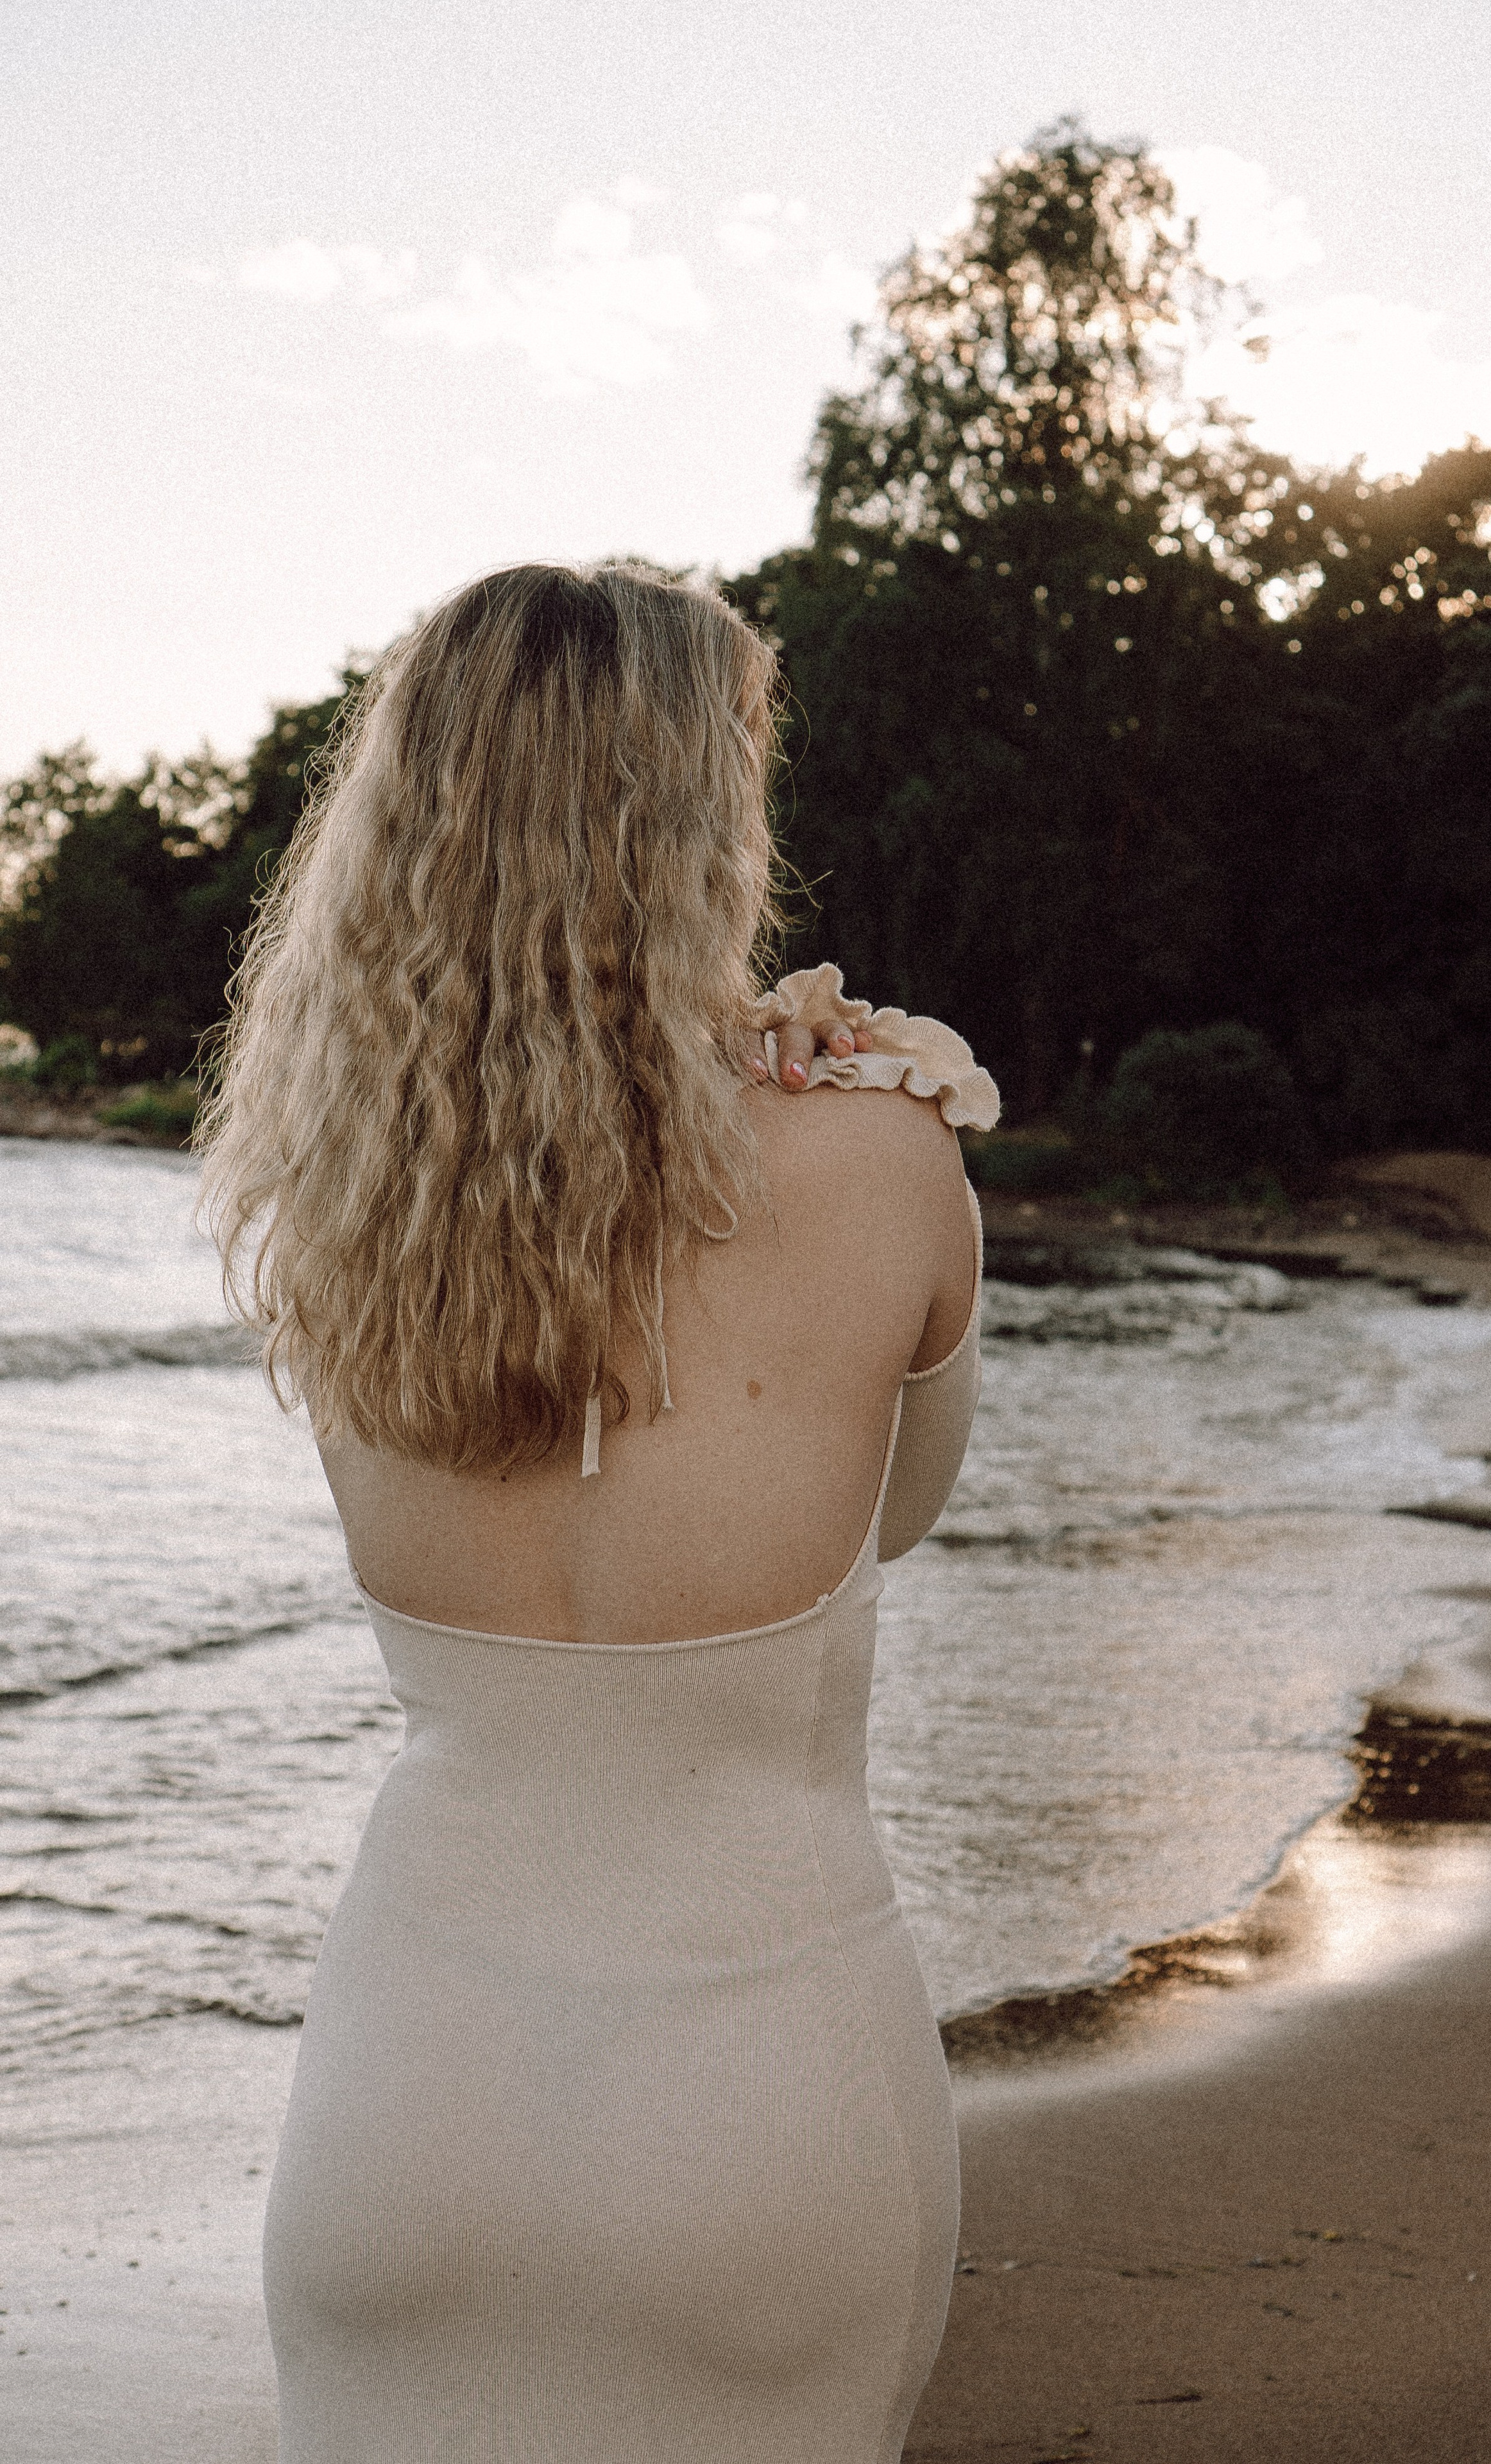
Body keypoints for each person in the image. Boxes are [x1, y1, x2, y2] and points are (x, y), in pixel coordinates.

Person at [198, 561, 999, 2463]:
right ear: (697, 819)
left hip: (403, 2114)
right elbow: (896, 1519)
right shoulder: (881, 1160)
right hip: (760, 2109)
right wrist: (897, 1097)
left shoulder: (336, 1206)